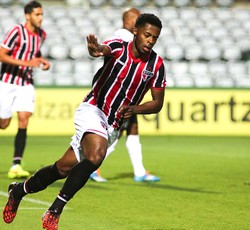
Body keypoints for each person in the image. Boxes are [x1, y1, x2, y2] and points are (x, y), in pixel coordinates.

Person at [3, 13, 165, 229]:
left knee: (62, 169)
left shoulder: (156, 65)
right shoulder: (119, 47)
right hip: (93, 109)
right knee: (96, 155)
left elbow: (157, 103)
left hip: (113, 125)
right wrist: (95, 49)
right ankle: (54, 210)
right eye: (147, 35)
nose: (150, 41)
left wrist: (136, 108)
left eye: (155, 38)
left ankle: (18, 191)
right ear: (135, 31)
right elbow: (103, 50)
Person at [89, 7, 160, 183]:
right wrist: (99, 49)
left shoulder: (130, 37)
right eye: (136, 20)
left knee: (132, 129)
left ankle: (139, 171)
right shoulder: (124, 36)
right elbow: (109, 49)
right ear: (129, 22)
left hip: (128, 95)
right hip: (119, 95)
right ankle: (93, 166)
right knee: (115, 132)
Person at [0, 1, 50, 179]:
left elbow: (33, 54)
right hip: (7, 82)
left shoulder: (41, 35)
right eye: (37, 14)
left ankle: (16, 165)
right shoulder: (16, 31)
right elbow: (1, 54)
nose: (40, 18)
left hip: (26, 83)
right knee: (4, 124)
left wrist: (41, 60)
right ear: (27, 15)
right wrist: (27, 63)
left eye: (42, 14)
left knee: (24, 119)